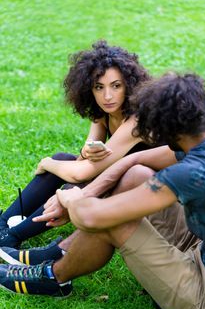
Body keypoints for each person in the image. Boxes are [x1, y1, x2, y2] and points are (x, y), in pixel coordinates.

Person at [1, 72, 205, 309]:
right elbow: (136, 161)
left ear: (169, 132)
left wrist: (70, 199)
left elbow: (91, 216)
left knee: (114, 219)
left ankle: (54, 277)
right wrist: (87, 191)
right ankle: (61, 253)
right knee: (136, 176)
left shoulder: (195, 172)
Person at [0, 39, 154, 250]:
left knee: (77, 184)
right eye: (98, 87)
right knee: (63, 159)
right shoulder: (104, 113)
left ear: (129, 85)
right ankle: (2, 225)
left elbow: (80, 174)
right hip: (117, 177)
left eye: (116, 86)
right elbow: (83, 162)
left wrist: (46, 162)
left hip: (149, 192)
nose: (107, 96)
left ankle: (12, 237)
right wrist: (85, 151)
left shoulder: (137, 119)